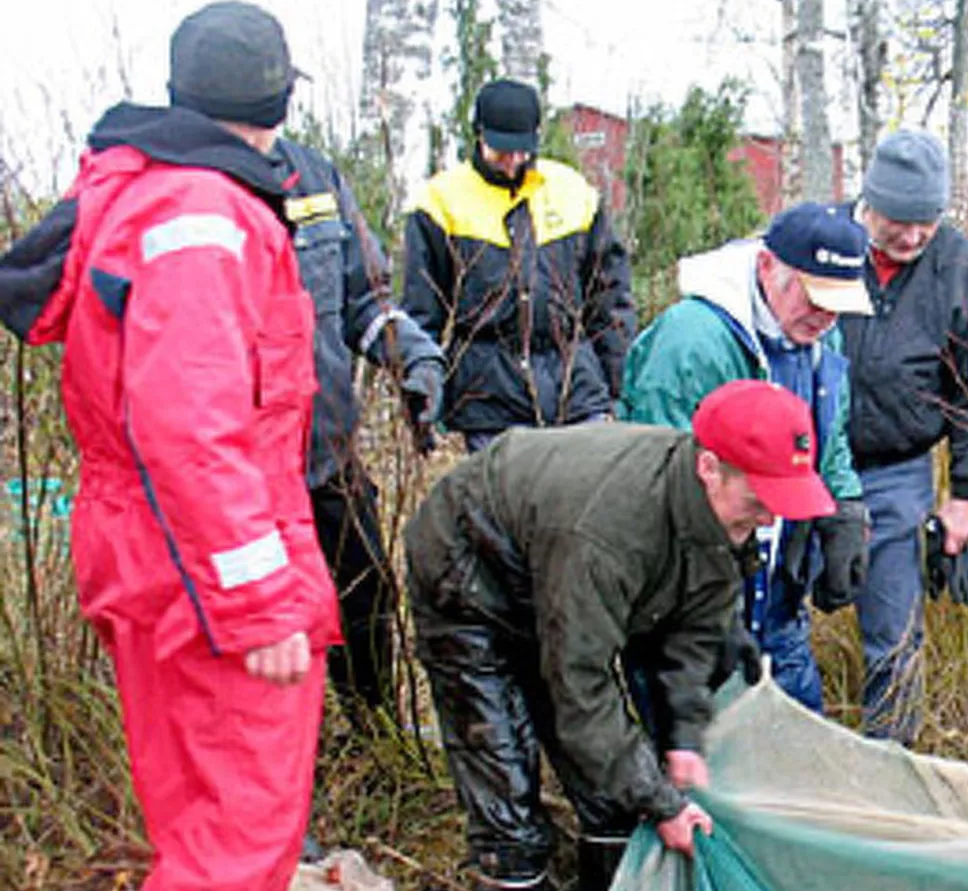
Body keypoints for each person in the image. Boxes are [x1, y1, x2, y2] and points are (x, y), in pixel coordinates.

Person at [0, 2, 339, 891]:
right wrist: (257, 600)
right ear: (279, 100)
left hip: (147, 551)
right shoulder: (206, 214)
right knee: (238, 833)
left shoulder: (143, 187)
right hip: (204, 566)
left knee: (213, 826)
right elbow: (191, 425)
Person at [403, 379, 837, 891]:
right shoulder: (609, 532)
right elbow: (579, 687)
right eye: (761, 498)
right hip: (470, 579)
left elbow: (695, 634)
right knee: (510, 809)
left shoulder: (720, 522)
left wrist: (684, 740)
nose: (770, 517)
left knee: (612, 795)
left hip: (559, 583)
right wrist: (660, 801)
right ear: (710, 467)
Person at [619, 201, 873, 710]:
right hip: (693, 600)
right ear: (766, 268)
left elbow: (829, 435)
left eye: (838, 302)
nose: (826, 316)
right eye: (813, 295)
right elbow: (660, 481)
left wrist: (844, 506)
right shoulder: (692, 341)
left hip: (779, 599)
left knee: (799, 754)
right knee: (703, 765)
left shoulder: (820, 336)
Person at [837, 130, 968, 742]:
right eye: (898, 222)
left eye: (926, 222)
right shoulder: (825, 241)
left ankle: (888, 772)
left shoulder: (961, 267)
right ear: (868, 202)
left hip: (898, 470)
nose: (911, 238)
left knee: (895, 640)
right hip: (800, 467)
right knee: (772, 626)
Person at [272, 135, 446, 720]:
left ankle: (374, 739)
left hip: (325, 452)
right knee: (267, 621)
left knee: (365, 595)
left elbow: (364, 301)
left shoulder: (314, 176)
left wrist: (415, 360)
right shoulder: (189, 186)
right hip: (239, 475)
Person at [401, 77, 635, 449]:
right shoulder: (439, 204)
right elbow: (419, 317)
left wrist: (620, 389)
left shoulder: (574, 193)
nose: (512, 163)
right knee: (508, 507)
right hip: (488, 402)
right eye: (500, 151)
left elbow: (610, 301)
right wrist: (422, 399)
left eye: (522, 151)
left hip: (577, 395)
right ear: (478, 135)